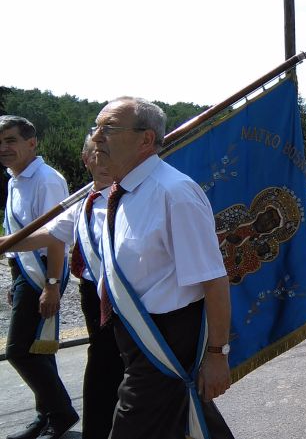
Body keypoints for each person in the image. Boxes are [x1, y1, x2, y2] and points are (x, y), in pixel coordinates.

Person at [90, 97, 234, 438]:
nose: (96, 137)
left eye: (108, 128)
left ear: (146, 139)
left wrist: (217, 354)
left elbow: (214, 281)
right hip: (135, 336)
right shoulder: (123, 193)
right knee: (189, 420)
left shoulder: (174, 193)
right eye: (96, 128)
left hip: (166, 339)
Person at [0, 136, 123, 439]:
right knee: (103, 368)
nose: (103, 161)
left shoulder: (133, 197)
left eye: (110, 153)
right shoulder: (83, 201)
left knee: (133, 372)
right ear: (86, 160)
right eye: (96, 154)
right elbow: (47, 235)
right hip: (94, 295)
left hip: (130, 299)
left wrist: (52, 284)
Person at [0, 115, 77, 439]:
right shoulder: (14, 178)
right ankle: (45, 416)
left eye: (11, 140)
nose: (4, 148)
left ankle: (61, 413)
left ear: (32, 143)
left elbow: (57, 237)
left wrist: (52, 285)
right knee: (37, 348)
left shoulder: (46, 180)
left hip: (45, 271)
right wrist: (15, 277)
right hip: (25, 270)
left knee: (18, 351)